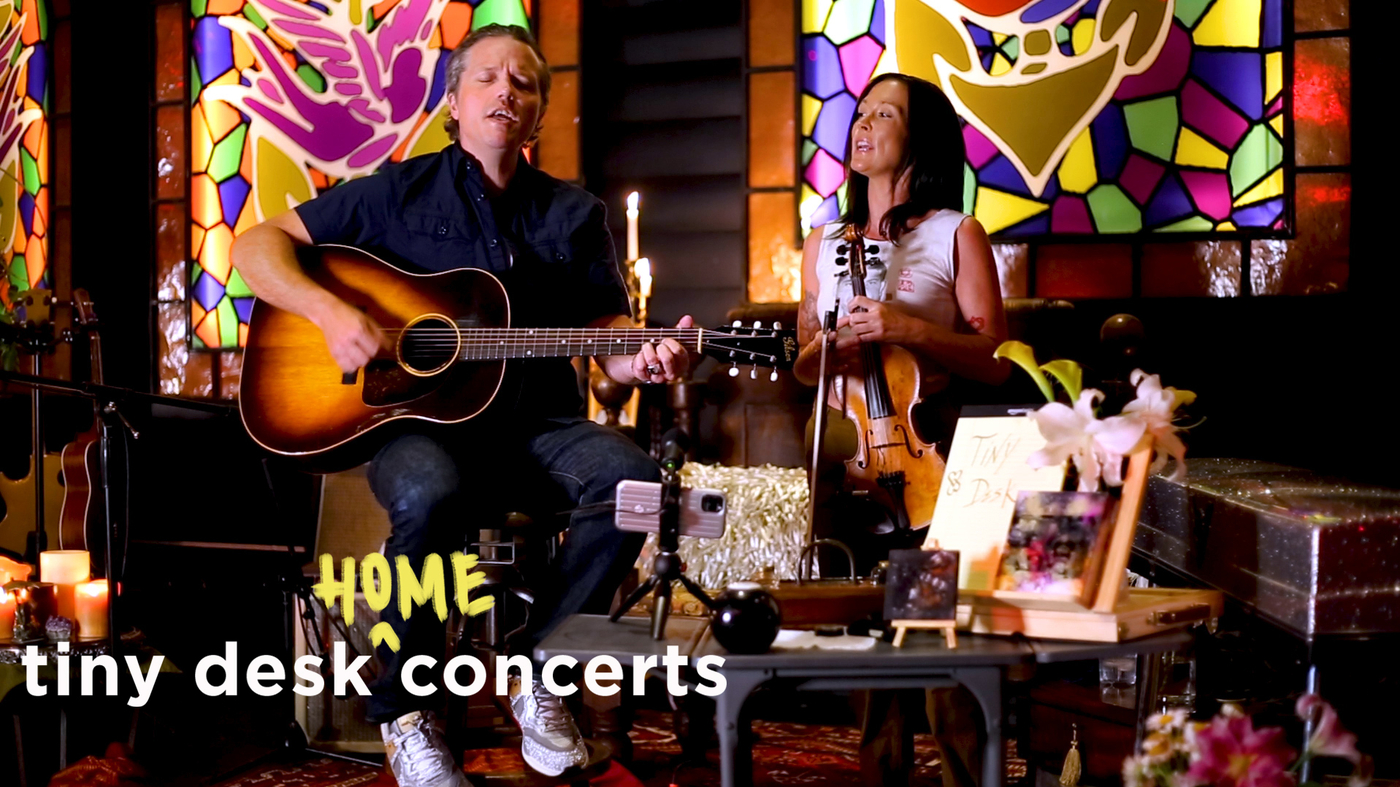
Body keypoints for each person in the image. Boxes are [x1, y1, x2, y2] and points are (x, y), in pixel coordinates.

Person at [230, 24, 692, 787]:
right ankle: (407, 715)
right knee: (428, 493)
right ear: (454, 101)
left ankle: (540, 668)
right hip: (420, 428)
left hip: (539, 428)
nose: (507, 91)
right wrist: (329, 312)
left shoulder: (573, 215)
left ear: (538, 113)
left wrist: (642, 354)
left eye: (525, 83)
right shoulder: (396, 191)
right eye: (489, 78)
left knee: (635, 484)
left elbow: (608, 334)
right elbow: (255, 246)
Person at [792, 72, 1010, 787]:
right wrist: (830, 348)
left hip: (935, 463)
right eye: (860, 112)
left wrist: (905, 327)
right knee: (865, 654)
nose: (862, 124)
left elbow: (996, 358)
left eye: (884, 114)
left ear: (920, 139)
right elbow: (803, 364)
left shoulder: (957, 233)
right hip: (853, 466)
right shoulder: (822, 243)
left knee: (945, 654)